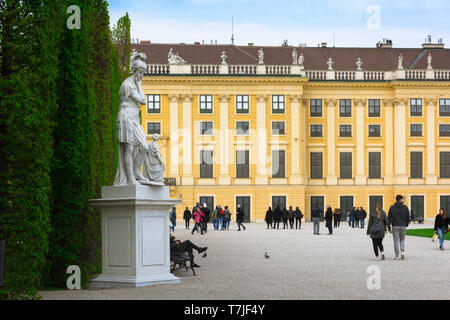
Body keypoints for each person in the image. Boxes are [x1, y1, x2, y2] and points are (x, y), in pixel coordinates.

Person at [388, 195, 411, 260]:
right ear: (400, 199)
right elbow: (408, 216)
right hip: (403, 225)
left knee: (396, 240)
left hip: (395, 225)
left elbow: (389, 217)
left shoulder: (392, 207)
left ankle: (397, 255)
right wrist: (407, 224)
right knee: (402, 239)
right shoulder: (405, 207)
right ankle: (402, 252)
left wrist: (389, 225)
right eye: (402, 199)